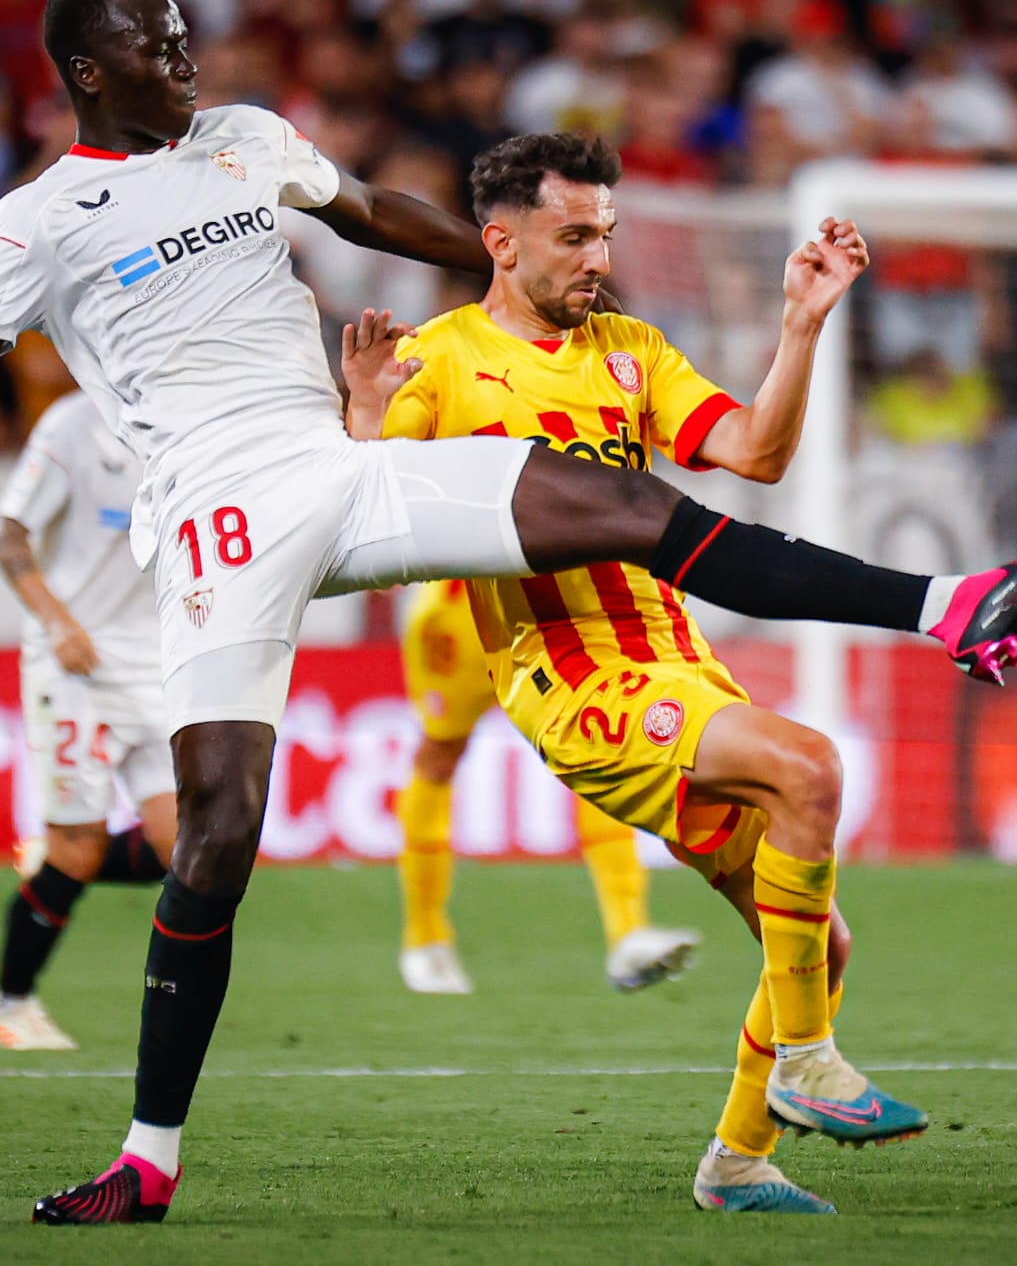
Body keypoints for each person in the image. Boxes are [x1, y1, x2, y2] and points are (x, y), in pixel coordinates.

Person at [0, 0, 1017, 1226]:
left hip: (336, 464)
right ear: (86, 71)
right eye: (151, 43)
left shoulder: (243, 139)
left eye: (182, 34)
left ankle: (947, 603)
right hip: (214, 512)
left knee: (619, 501)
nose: (182, 56)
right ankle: (147, 1158)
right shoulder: (39, 218)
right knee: (217, 835)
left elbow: (371, 212)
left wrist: (498, 278)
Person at [356, 130, 931, 1213]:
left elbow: (755, 452)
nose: (598, 258)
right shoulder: (437, 361)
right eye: (573, 236)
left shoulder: (629, 348)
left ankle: (738, 1161)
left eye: (605, 234)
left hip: (677, 664)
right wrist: (359, 415)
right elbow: (366, 528)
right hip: (573, 681)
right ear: (501, 242)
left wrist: (801, 324)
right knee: (809, 766)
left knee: (817, 945)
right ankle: (808, 1064)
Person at [0, 391, 179, 1052]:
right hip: (77, 663)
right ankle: (7, 1006)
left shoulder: (191, 413)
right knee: (79, 846)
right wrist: (57, 621)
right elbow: (7, 534)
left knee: (190, 849)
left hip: (157, 662)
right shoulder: (75, 424)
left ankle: (56, 859)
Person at [391, 577, 700, 995]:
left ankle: (628, 932)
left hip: (553, 602)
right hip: (461, 610)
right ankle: (425, 939)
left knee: (597, 744)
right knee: (440, 755)